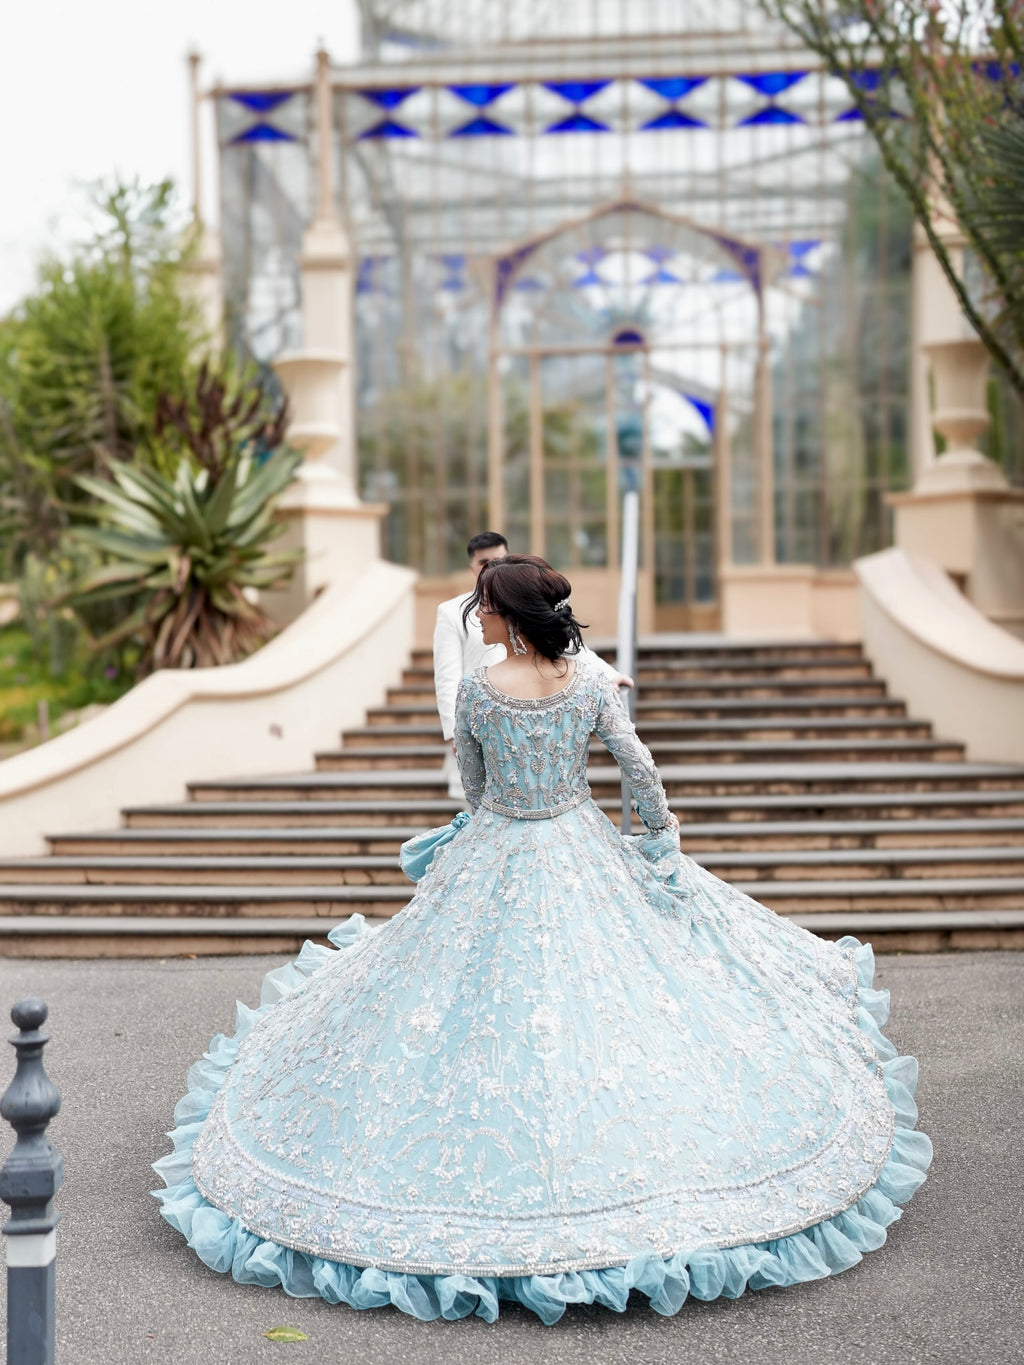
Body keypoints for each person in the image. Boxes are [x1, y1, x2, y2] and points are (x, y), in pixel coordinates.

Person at [154, 554, 931, 1327]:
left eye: (486, 609)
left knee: (466, 1002)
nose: (477, 619)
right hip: (577, 841)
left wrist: (494, 818)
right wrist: (658, 839)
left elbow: (477, 788)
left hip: (499, 849)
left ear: (513, 619)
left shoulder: (480, 692)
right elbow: (638, 765)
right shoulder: (590, 681)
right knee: (608, 998)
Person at [433, 531, 631, 798]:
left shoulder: (525, 602)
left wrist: (610, 674)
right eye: (484, 562)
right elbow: (447, 676)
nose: (492, 566)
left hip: (532, 715)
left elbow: (566, 644)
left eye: (499, 559)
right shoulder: (453, 612)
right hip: (485, 718)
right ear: (472, 566)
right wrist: (455, 732)